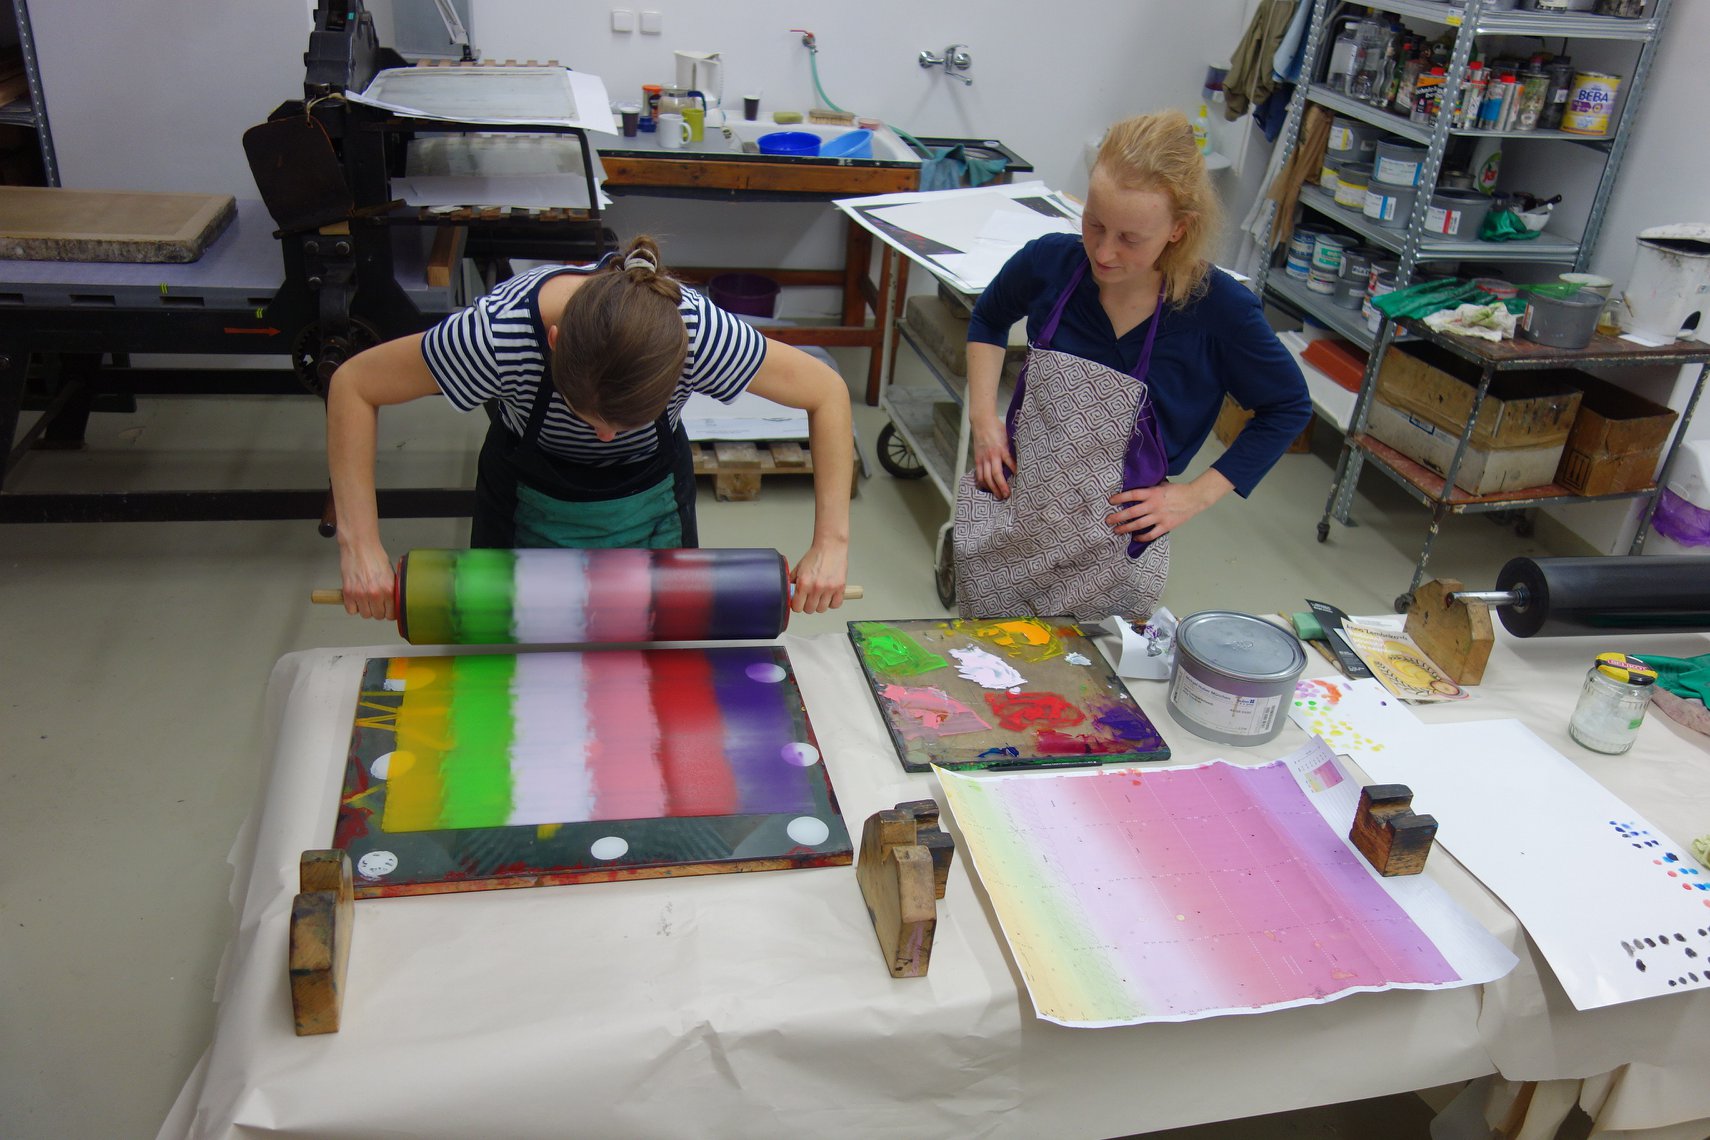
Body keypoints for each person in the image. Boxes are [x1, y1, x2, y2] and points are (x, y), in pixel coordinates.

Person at [328, 235, 852, 621]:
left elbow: (826, 392)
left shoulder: (698, 335)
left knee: (662, 643)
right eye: (586, 414)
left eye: (627, 421)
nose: (605, 437)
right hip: (524, 499)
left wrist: (831, 542)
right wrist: (360, 545)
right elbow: (354, 384)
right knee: (506, 642)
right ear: (555, 343)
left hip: (651, 500)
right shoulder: (498, 335)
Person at [955, 110, 1311, 622]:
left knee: (1088, 667)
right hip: (1015, 525)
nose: (1103, 252)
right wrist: (983, 420)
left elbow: (1287, 407)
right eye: (1095, 224)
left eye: (1130, 238)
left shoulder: (1218, 311)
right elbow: (989, 318)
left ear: (1178, 229)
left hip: (1111, 553)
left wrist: (1194, 497)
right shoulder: (1051, 263)